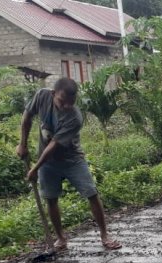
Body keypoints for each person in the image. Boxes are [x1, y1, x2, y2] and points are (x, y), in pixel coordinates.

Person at [17, 78, 121, 250]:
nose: (66, 106)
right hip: (48, 162)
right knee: (51, 198)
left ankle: (105, 235)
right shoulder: (42, 96)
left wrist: (35, 168)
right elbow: (27, 116)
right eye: (62, 102)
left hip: (72, 160)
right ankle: (61, 238)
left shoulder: (75, 117)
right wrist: (23, 143)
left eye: (70, 103)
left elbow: (53, 145)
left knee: (91, 193)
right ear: (53, 94)